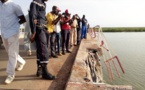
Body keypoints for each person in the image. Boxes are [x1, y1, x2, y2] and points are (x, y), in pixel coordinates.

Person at [0, 0, 26, 84]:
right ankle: (22, 61)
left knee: (12, 53)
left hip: (13, 32)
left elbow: (23, 19)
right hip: (3, 32)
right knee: (10, 52)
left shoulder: (14, 5)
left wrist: (14, 25)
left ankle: (10, 74)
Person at [29, 0, 55, 80]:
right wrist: (33, 32)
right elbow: (33, 16)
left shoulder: (43, 3)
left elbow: (41, 17)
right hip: (39, 29)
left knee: (40, 49)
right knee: (44, 50)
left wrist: (46, 28)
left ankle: (39, 69)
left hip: (42, 29)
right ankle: (45, 72)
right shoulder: (35, 2)